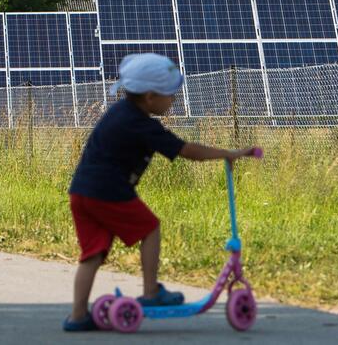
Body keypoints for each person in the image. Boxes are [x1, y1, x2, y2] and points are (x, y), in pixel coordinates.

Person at [63, 53, 261, 332]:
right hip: (107, 191)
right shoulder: (141, 124)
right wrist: (228, 154)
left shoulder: (120, 112)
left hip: (82, 192)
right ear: (150, 97)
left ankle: (78, 316)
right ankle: (150, 292)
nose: (174, 100)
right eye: (171, 95)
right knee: (150, 228)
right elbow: (186, 151)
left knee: (92, 254)